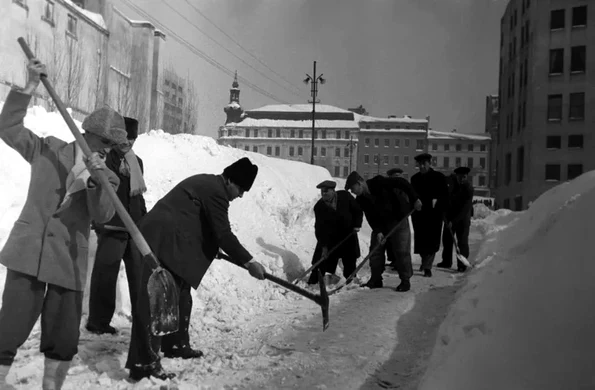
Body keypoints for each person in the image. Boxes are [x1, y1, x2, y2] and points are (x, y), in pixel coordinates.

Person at [0, 58, 126, 390]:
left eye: (110, 147)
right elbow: (8, 128)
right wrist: (29, 86)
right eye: (103, 143)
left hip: (68, 259)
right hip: (29, 250)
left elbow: (102, 216)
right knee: (8, 328)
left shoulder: (108, 178)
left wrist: (97, 180)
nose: (106, 151)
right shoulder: (49, 150)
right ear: (89, 135)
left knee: (63, 335)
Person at [125, 157, 267, 381]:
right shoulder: (216, 191)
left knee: (181, 296)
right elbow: (223, 234)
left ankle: (175, 344)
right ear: (229, 180)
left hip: (172, 240)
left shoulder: (210, 185)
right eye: (240, 189)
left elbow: (198, 220)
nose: (240, 195)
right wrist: (249, 262)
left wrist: (211, 245)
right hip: (163, 241)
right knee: (158, 303)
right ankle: (143, 363)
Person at [86, 117, 148, 335]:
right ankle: (98, 322)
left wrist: (145, 221)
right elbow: (99, 190)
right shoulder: (105, 157)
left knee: (139, 276)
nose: (129, 143)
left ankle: (143, 319)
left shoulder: (137, 162)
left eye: (133, 138)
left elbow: (139, 197)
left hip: (135, 227)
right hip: (112, 226)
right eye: (125, 138)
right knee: (105, 275)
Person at [345, 172, 421, 292]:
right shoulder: (361, 200)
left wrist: (415, 198)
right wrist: (378, 231)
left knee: (401, 251)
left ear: (359, 183)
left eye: (352, 188)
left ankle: (405, 280)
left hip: (398, 220)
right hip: (381, 225)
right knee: (375, 251)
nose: (352, 191)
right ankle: (376, 279)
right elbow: (370, 217)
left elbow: (402, 183)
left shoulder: (379, 182)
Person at [307, 180, 363, 285]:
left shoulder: (345, 196)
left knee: (349, 259)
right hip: (330, 237)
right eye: (322, 191)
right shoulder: (319, 207)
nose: (323, 193)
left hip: (348, 234)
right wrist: (323, 246)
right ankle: (313, 282)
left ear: (333, 191)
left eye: (326, 191)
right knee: (320, 260)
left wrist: (357, 224)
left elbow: (357, 210)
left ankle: (350, 281)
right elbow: (319, 228)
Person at [410, 153, 449, 278]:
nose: (421, 166)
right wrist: (415, 202)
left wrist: (439, 202)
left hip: (434, 215)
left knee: (432, 242)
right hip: (419, 215)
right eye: (419, 164)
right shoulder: (414, 179)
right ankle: (424, 261)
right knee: (421, 242)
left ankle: (428, 267)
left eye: (424, 164)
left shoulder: (439, 177)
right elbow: (412, 195)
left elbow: (445, 195)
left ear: (429, 164)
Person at [438, 166, 474, 272]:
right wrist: (445, 216)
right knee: (447, 240)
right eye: (460, 177)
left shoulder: (469, 188)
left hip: (462, 219)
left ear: (467, 177)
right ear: (457, 176)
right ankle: (446, 262)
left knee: (462, 242)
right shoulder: (452, 186)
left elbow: (465, 208)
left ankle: (462, 265)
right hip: (450, 217)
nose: (462, 179)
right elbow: (445, 201)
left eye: (464, 177)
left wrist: (453, 222)